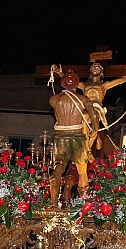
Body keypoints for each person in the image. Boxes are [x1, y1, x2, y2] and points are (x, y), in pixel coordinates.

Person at [49, 68, 100, 203]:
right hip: (78, 138)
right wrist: (95, 129)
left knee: (59, 167)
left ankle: (53, 203)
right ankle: (84, 204)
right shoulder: (83, 99)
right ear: (77, 84)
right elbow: (94, 114)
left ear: (62, 83)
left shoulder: (54, 99)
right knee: (82, 170)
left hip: (61, 138)